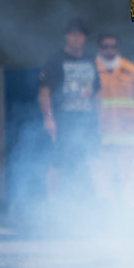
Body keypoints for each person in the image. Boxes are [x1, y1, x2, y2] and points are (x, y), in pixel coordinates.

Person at [38, 18, 99, 199]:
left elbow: (97, 92)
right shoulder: (55, 61)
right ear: (66, 36)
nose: (76, 38)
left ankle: (87, 198)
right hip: (64, 119)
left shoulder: (90, 60)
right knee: (59, 160)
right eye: (73, 34)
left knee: (89, 158)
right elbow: (44, 92)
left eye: (80, 34)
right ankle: (52, 200)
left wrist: (99, 118)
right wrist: (48, 118)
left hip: (87, 120)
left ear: (85, 38)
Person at [94, 33, 134, 202]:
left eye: (113, 46)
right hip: (101, 134)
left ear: (118, 48)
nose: (109, 50)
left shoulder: (130, 69)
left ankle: (129, 208)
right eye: (105, 46)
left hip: (127, 134)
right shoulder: (92, 69)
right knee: (103, 176)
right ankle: (107, 207)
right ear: (99, 48)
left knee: (129, 175)